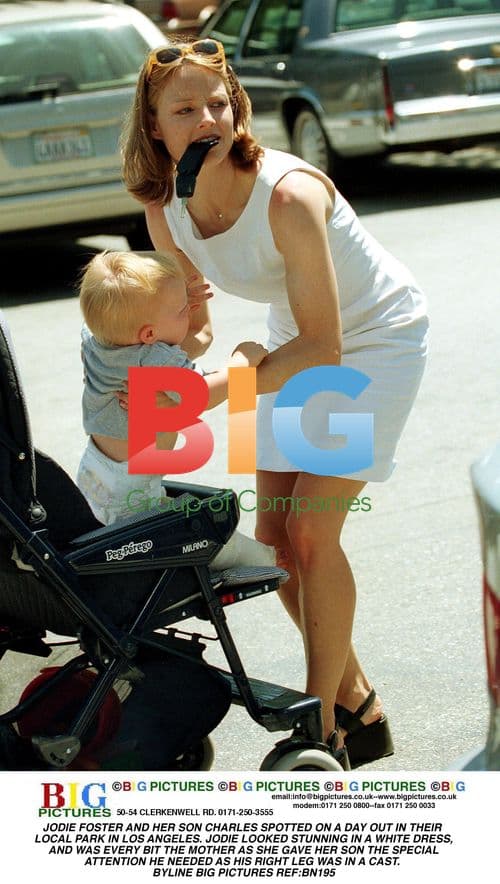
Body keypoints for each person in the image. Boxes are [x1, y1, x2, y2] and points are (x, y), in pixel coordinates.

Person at [121, 38, 429, 767]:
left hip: (372, 338)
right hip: (297, 334)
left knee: (314, 531)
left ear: (238, 107)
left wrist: (216, 390)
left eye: (218, 103)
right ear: (154, 126)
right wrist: (144, 360)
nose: (207, 120)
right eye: (184, 110)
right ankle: (359, 703)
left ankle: (322, 725)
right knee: (277, 542)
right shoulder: (166, 206)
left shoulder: (289, 195)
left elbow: (325, 348)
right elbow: (193, 327)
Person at [76, 249, 275, 570]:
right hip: (133, 496)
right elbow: (201, 395)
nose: (189, 311)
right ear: (149, 335)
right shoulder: (153, 357)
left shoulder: (96, 340)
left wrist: (171, 305)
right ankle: (266, 560)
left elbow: (147, 327)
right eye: (183, 310)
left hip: (95, 474)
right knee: (220, 544)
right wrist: (240, 363)